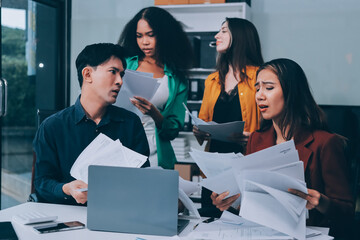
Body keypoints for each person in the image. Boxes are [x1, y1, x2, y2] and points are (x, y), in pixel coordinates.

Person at [211, 58, 355, 238]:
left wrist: (321, 202)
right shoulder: (257, 138)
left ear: (292, 93)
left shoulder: (325, 143)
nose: (259, 95)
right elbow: (252, 202)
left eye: (269, 88)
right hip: (262, 233)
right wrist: (231, 201)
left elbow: (347, 212)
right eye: (257, 88)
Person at [33, 43, 150, 205]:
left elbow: (143, 178)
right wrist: (67, 189)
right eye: (113, 72)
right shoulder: (52, 127)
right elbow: (41, 183)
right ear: (87, 74)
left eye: (121, 74)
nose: (120, 81)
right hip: (68, 217)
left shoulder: (131, 123)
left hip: (119, 213)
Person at [193, 18, 263, 217]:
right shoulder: (212, 80)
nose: (217, 36)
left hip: (247, 164)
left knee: (243, 225)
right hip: (214, 167)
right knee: (210, 223)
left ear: (240, 37)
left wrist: (255, 138)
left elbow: (273, 124)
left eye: (223, 31)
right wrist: (199, 130)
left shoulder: (260, 76)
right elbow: (203, 125)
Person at [118, 6, 193, 169]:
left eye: (151, 35)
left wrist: (155, 114)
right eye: (139, 36)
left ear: (165, 35)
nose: (144, 42)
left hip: (156, 154)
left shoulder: (177, 79)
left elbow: (172, 130)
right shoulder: (124, 64)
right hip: (122, 147)